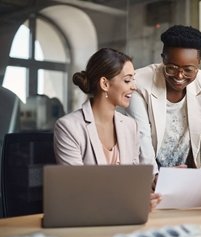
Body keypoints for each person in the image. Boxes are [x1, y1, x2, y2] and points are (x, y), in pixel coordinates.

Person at [53, 48, 160, 210]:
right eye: (127, 80)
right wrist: (131, 201)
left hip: (126, 216)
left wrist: (152, 190)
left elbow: (133, 184)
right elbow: (76, 191)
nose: (134, 87)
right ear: (105, 83)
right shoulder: (69, 127)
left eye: (133, 80)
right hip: (87, 218)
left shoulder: (130, 126)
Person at [125, 25, 201, 171]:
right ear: (163, 58)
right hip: (152, 171)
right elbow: (141, 137)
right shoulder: (139, 83)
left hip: (188, 172)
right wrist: (154, 177)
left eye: (188, 70)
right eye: (172, 68)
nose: (179, 76)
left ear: (199, 63)